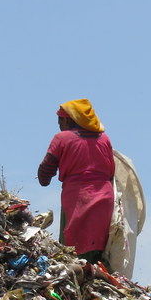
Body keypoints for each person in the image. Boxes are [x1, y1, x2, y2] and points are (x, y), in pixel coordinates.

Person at [37, 99, 116, 265]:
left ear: (69, 120)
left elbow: (46, 169)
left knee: (73, 246)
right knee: (98, 243)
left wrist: (44, 178)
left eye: (60, 120)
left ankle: (78, 282)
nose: (59, 125)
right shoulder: (104, 140)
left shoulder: (62, 138)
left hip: (78, 197)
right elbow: (111, 171)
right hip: (105, 197)